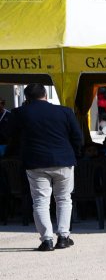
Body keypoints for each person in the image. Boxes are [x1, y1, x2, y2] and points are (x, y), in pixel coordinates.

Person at [2, 82, 83, 251]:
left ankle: (47, 240)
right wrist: (74, 155)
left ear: (26, 98)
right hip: (64, 160)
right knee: (64, 199)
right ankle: (63, 236)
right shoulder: (65, 111)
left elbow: (8, 134)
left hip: (35, 161)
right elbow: (78, 137)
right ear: (45, 95)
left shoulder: (19, 113)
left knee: (40, 202)